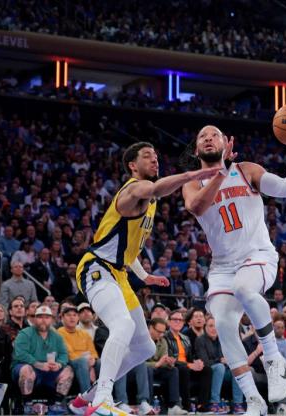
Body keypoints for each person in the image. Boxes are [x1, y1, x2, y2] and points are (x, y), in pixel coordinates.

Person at [69, 142, 218, 415]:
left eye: (156, 155)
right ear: (132, 166)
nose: (154, 159)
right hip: (96, 268)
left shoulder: (148, 204)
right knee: (122, 325)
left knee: (143, 346)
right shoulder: (133, 189)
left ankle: (86, 398)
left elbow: (128, 246)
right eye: (147, 156)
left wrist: (144, 275)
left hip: (120, 274)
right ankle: (102, 397)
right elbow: (155, 188)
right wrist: (194, 175)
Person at [181, 123, 286, 414]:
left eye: (214, 134)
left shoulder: (246, 170)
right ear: (196, 149)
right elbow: (196, 207)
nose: (208, 138)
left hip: (257, 256)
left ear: (225, 142)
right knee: (224, 324)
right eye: (202, 136)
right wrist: (219, 173)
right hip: (222, 266)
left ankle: (273, 358)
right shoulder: (192, 182)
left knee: (243, 288)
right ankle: (254, 399)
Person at [11, 305, 73, 410]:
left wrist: (59, 364)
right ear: (34, 319)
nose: (43, 320)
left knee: (68, 371)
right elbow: (20, 354)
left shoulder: (57, 336)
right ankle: (27, 405)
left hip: (50, 370)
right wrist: (38, 364)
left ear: (52, 320)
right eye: (40, 317)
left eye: (47, 317)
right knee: (26, 370)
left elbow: (64, 355)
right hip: (29, 368)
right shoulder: (24, 333)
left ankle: (57, 404)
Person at [195, 316, 244, 413]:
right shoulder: (200, 340)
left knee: (238, 368)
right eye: (211, 326)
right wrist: (220, 360)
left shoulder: (222, 340)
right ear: (205, 327)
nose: (214, 329)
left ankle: (238, 404)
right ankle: (214, 403)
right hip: (208, 371)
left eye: (216, 326)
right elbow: (204, 361)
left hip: (223, 370)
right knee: (220, 367)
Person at [146, 318, 185, 415]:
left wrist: (169, 362)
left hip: (158, 369)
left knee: (173, 370)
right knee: (148, 370)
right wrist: (157, 364)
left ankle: (174, 406)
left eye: (163, 332)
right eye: (158, 331)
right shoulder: (141, 341)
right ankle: (149, 404)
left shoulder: (162, 341)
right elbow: (137, 363)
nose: (161, 334)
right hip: (145, 370)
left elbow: (163, 358)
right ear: (150, 328)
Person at [57, 305, 99, 393]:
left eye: (74, 315)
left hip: (85, 361)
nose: (72, 318)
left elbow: (93, 352)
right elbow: (69, 353)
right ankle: (86, 397)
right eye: (68, 315)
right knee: (82, 361)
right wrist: (88, 364)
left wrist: (93, 360)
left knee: (100, 362)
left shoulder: (84, 333)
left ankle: (108, 397)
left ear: (78, 318)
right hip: (69, 361)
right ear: (62, 318)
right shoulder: (60, 332)